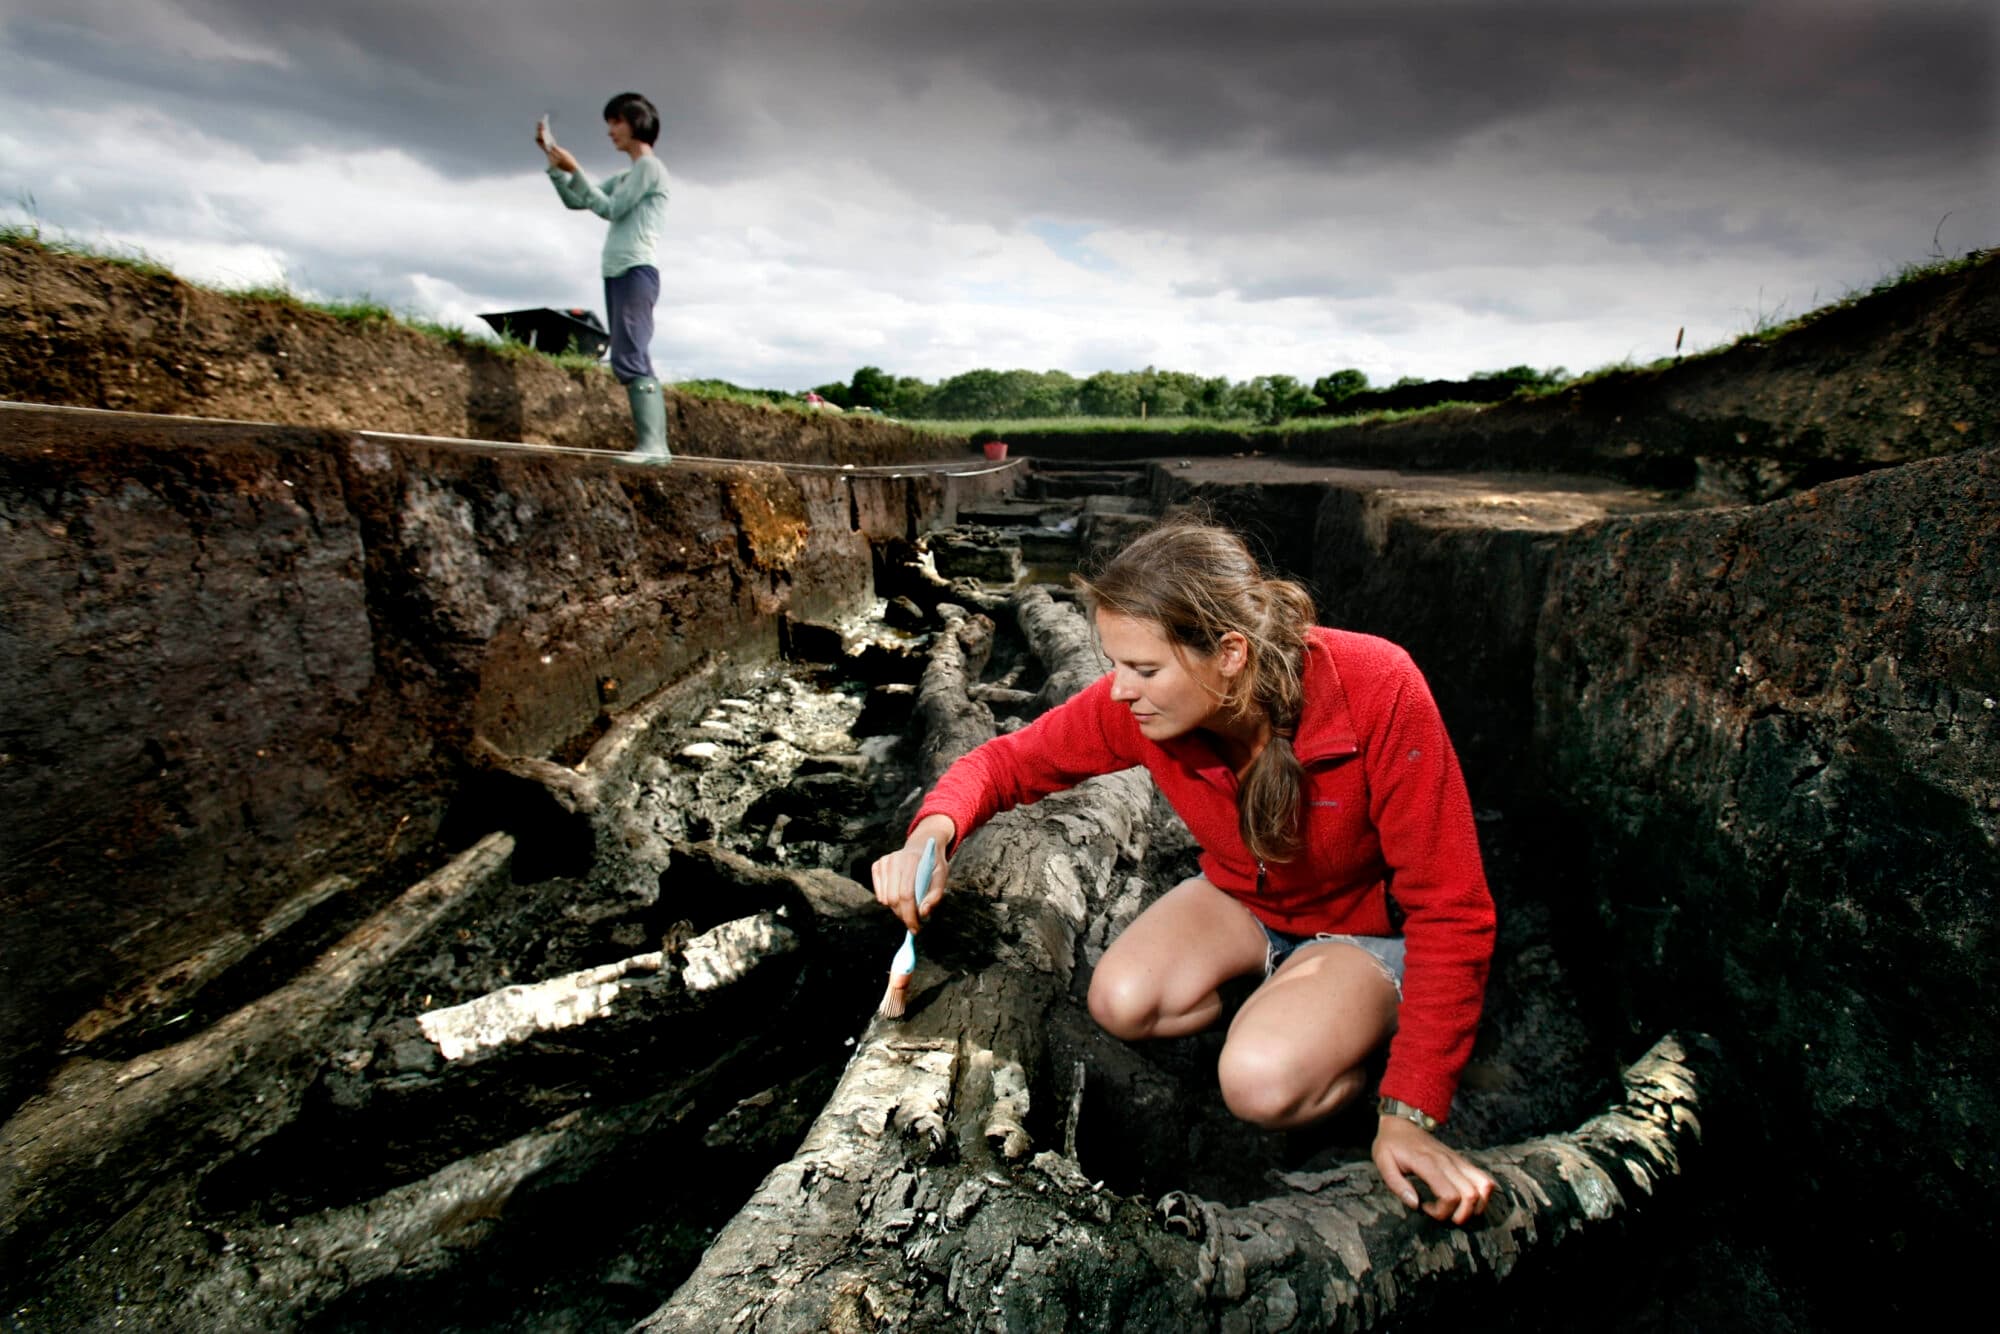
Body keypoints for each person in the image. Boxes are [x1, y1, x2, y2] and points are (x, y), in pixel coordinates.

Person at [871, 520, 1499, 1224]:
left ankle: (1347, 1039)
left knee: (1259, 1085)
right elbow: (1003, 761)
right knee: (1122, 1001)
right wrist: (933, 832)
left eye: (1144, 669)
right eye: (1115, 664)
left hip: (1361, 928)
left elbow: (1453, 909)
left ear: (1230, 653)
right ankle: (1283, 1003)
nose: (1119, 692)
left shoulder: (1379, 686)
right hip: (1245, 896)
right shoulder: (1139, 709)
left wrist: (1411, 1108)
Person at [538, 92, 672, 463]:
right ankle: (652, 446)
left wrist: (575, 167)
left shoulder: (649, 168)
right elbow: (580, 200)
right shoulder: (631, 173)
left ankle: (655, 447)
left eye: (616, 122)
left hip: (636, 268)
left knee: (631, 352)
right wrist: (556, 168)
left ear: (636, 123)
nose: (611, 131)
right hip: (618, 270)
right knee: (626, 354)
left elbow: (610, 208)